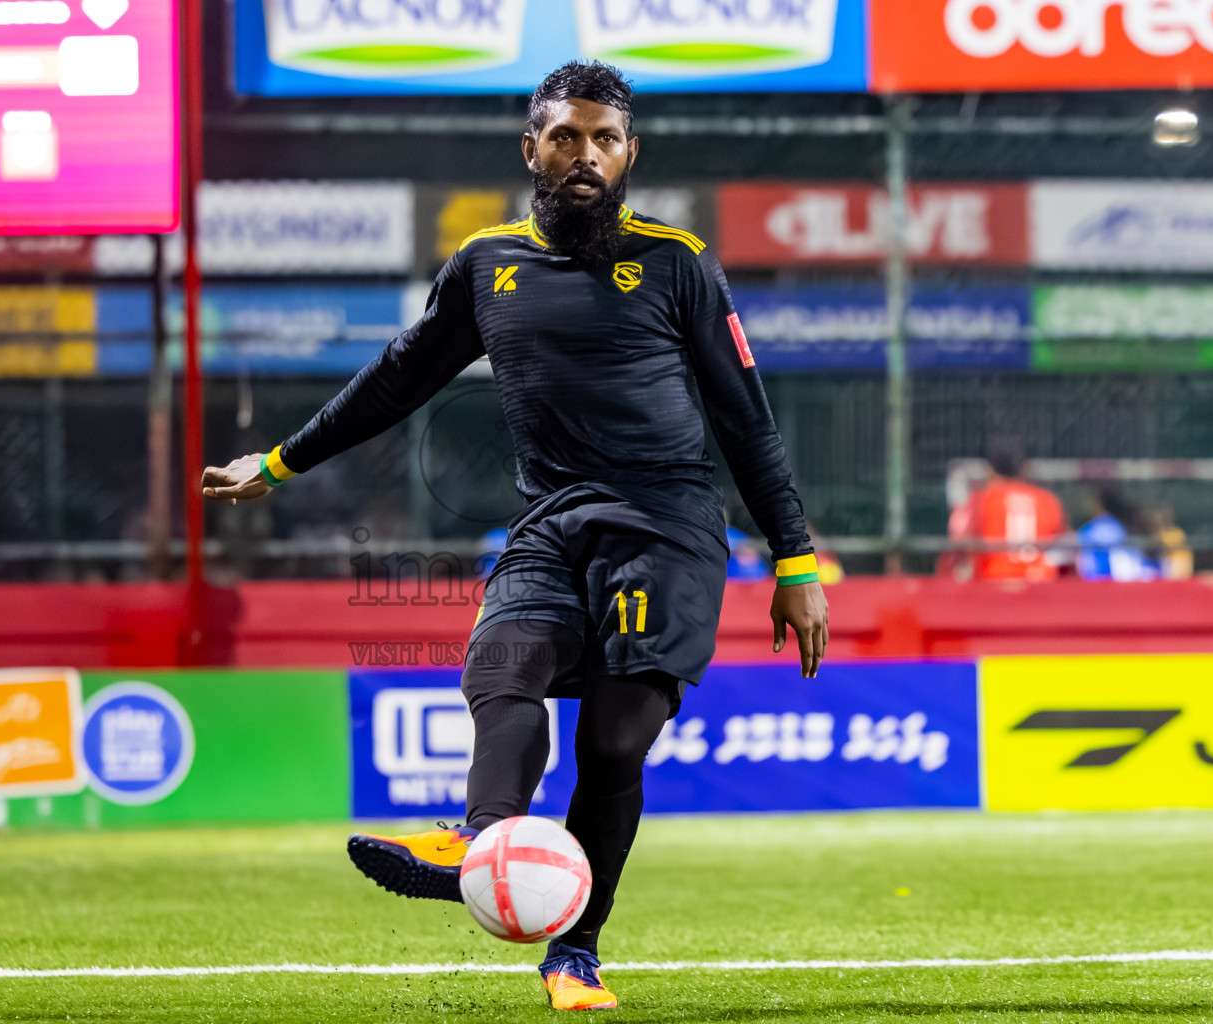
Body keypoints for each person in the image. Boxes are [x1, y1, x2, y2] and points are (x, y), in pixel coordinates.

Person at [201, 61, 826, 1012]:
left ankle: (575, 952)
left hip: (666, 528)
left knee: (614, 746)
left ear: (629, 154)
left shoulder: (678, 263)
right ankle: (481, 836)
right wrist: (280, 462)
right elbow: (396, 379)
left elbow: (747, 421)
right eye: (566, 136)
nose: (585, 156)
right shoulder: (486, 264)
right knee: (502, 664)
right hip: (547, 523)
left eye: (604, 139)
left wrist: (795, 561)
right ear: (531, 148)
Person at [946, 437, 1067, 582]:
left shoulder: (980, 500)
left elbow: (960, 544)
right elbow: (1064, 548)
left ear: (989, 470)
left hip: (995, 582)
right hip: (1041, 581)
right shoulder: (1047, 500)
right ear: (1025, 467)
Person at [1076, 488, 1157, 582]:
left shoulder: (1111, 526)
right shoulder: (1112, 526)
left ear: (1099, 506)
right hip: (1099, 578)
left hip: (1109, 578)